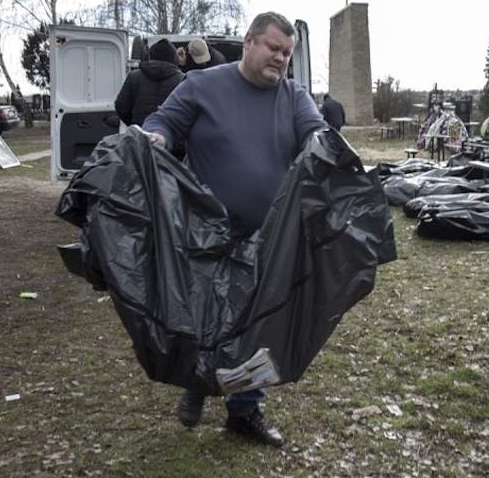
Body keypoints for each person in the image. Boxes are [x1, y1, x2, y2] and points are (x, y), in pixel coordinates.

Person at [141, 12, 326, 448]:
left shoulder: (294, 96)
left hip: (267, 237)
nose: (281, 59)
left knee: (257, 326)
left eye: (287, 53)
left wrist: (325, 146)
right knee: (203, 320)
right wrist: (156, 138)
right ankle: (197, 384)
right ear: (249, 42)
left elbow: (316, 132)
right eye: (274, 48)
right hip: (206, 234)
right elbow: (164, 122)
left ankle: (244, 411)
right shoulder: (203, 85)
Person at [114, 38, 183, 127]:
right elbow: (189, 111)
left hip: (140, 132)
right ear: (174, 58)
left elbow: (121, 106)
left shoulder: (134, 77)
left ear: (151, 55)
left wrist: (134, 124)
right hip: (171, 134)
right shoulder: (182, 79)